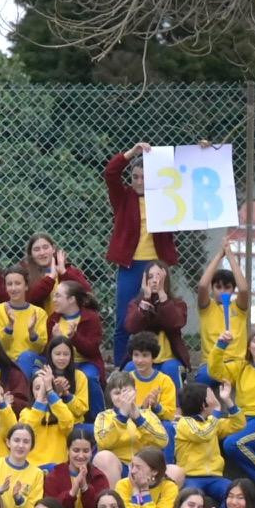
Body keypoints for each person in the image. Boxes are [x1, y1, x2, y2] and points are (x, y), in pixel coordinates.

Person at [101, 144, 182, 367]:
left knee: (160, 315)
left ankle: (159, 363)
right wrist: (132, 152)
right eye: (135, 177)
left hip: (156, 266)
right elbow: (110, 173)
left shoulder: (167, 198)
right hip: (131, 265)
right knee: (125, 319)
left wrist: (204, 153)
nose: (138, 181)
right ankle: (121, 367)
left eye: (144, 177)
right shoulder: (123, 197)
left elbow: (190, 184)